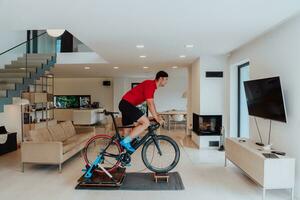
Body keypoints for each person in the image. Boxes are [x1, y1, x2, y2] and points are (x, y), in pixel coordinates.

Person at [118, 71, 168, 152]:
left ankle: (122, 158)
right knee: (146, 122)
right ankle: (125, 142)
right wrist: (157, 118)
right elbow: (149, 103)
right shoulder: (150, 84)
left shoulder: (151, 86)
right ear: (161, 78)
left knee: (127, 130)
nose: (166, 82)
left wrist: (157, 115)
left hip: (125, 104)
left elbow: (152, 103)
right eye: (166, 79)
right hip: (127, 104)